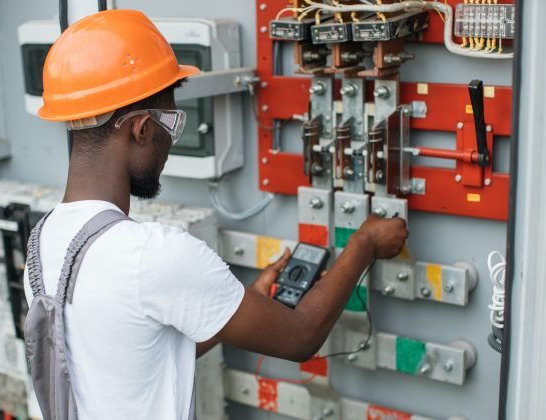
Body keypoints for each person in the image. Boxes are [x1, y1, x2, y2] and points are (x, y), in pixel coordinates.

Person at [24, 9, 408, 420]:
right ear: (140, 129)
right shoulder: (152, 254)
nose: (170, 140)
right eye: (170, 122)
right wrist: (364, 244)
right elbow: (300, 338)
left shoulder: (43, 241)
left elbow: (130, 355)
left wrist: (229, 309)